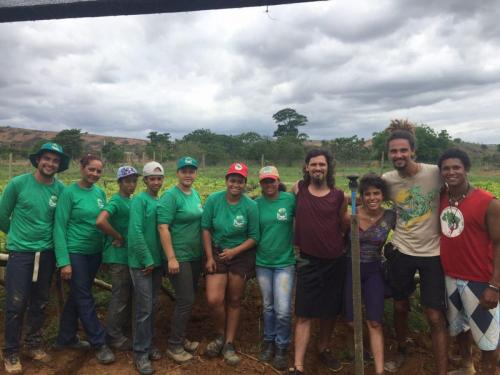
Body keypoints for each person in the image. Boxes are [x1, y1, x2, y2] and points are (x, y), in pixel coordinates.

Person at [381, 120, 448, 374]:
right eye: (394, 151)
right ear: (389, 154)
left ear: (413, 152)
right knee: (400, 306)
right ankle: (401, 349)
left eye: (403, 150)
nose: (398, 155)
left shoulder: (434, 173)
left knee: (433, 314)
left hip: (433, 254)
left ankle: (441, 367)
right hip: (401, 250)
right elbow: (368, 195)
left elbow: (460, 186)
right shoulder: (388, 180)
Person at [0, 143, 68, 374]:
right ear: (38, 160)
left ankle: (33, 344)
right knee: (16, 304)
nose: (50, 164)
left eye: (55, 161)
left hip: (47, 253)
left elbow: (60, 222)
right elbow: (1, 215)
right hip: (21, 254)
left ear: (59, 165)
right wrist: (17, 237)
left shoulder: (60, 190)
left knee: (39, 302)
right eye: (46, 159)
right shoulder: (18, 184)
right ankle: (10, 351)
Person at [438, 148, 499, 375]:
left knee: (488, 339)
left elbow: (499, 244)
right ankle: (467, 366)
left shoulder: (488, 203)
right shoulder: (443, 197)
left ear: (466, 170)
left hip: (479, 280)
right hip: (450, 276)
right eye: (446, 168)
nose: (451, 172)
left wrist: (494, 285)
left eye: (457, 167)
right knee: (460, 328)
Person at [289, 149, 348, 375]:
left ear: (328, 168)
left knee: (329, 311)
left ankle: (323, 348)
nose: (317, 168)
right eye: (313, 165)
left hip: (334, 261)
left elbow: (342, 225)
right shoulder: (299, 189)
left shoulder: (339, 195)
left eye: (321, 165)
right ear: (306, 167)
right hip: (306, 260)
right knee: (303, 312)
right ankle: (298, 365)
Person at [53, 154, 115, 365]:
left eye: (98, 171)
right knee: (85, 296)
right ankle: (99, 342)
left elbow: (104, 223)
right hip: (75, 252)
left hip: (94, 252)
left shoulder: (99, 192)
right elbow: (59, 227)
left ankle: (65, 338)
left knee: (77, 296)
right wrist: (64, 261)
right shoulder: (69, 193)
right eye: (91, 169)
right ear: (81, 167)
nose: (95, 174)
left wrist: (105, 252)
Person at [201, 162, 260, 366]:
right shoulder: (213, 200)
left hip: (241, 254)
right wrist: (209, 257)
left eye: (240, 181)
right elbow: (206, 229)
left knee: (234, 299)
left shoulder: (250, 206)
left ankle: (228, 342)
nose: (236, 184)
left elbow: (254, 237)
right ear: (226, 181)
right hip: (217, 252)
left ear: (245, 183)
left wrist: (235, 251)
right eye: (232, 180)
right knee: (214, 299)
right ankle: (219, 333)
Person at [343, 173, 396, 375]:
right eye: (367, 194)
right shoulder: (351, 216)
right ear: (361, 197)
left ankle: (379, 370)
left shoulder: (390, 216)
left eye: (377, 193)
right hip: (351, 268)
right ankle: (359, 348)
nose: (372, 198)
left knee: (374, 321)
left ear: (383, 195)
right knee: (350, 320)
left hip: (373, 269)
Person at [158, 156, 203, 364]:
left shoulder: (194, 194)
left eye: (191, 171)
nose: (188, 174)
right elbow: (163, 227)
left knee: (186, 299)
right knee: (185, 299)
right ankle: (174, 346)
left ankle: (180, 338)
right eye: (184, 171)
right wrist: (171, 258)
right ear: (177, 173)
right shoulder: (170, 196)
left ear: (195, 173)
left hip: (195, 256)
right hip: (180, 257)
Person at [255, 166, 296, 371]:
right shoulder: (255, 204)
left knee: (283, 310)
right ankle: (269, 342)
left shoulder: (289, 200)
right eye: (265, 181)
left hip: (285, 263)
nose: (269, 185)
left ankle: (282, 346)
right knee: (268, 307)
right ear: (260, 183)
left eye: (272, 181)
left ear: (278, 181)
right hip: (262, 262)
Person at [96, 166, 139, 351]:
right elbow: (100, 221)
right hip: (118, 256)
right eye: (128, 181)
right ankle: (114, 336)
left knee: (127, 295)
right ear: (119, 182)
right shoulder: (116, 201)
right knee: (120, 297)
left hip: (127, 256)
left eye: (134, 181)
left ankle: (122, 331)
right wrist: (117, 236)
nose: (132, 184)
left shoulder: (129, 201)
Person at [128, 161, 165, 375]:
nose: (156, 182)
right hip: (142, 264)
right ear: (145, 180)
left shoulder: (157, 199)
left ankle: (149, 345)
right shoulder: (139, 201)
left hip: (156, 263)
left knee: (151, 305)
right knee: (144, 309)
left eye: (159, 178)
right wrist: (147, 258)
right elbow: (135, 232)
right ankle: (140, 353)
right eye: (152, 178)